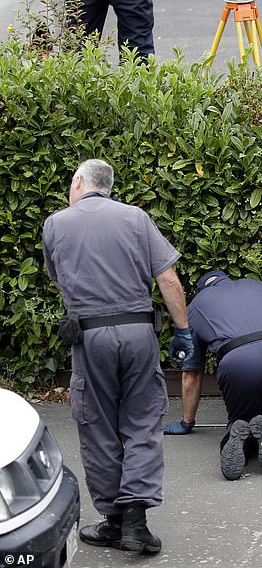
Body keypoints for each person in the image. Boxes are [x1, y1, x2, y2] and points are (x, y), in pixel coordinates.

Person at [42, 159, 193, 555]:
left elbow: (58, 279)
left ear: (78, 182)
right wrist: (183, 330)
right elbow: (168, 278)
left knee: (97, 424)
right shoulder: (137, 218)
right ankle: (136, 525)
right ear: (108, 187)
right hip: (138, 331)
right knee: (142, 421)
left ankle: (112, 520)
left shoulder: (56, 224)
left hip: (89, 337)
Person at [163, 270, 262, 481]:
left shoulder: (194, 308)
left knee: (242, 420)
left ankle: (240, 436)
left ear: (202, 289)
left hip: (237, 362)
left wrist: (186, 422)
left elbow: (191, 376)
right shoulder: (258, 285)